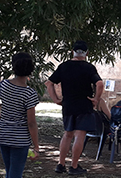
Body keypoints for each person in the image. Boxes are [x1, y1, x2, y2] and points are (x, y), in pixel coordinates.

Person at [0, 52, 40, 178]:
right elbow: (31, 122)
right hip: (20, 139)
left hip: (4, 135)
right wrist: (36, 146)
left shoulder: (3, 85)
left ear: (13, 67)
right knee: (15, 174)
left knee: (10, 172)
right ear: (31, 69)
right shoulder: (29, 93)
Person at [45, 40, 105, 175]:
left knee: (67, 134)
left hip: (68, 105)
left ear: (72, 51)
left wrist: (56, 99)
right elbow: (100, 84)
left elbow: (49, 83)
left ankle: (60, 164)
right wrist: (96, 99)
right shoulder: (89, 68)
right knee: (80, 135)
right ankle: (74, 165)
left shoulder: (64, 66)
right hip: (84, 105)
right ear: (87, 53)